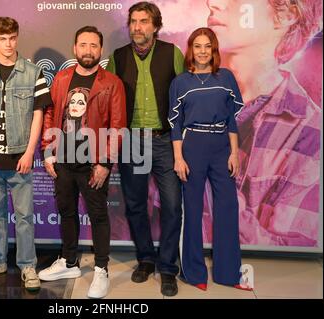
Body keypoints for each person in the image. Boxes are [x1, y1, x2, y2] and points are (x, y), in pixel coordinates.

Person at [205, 0, 322, 246]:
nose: (212, 3)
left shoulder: (309, 131)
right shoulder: (184, 96)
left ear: (287, 14)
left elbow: (290, 252)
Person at [39, 26, 126, 299]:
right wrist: (48, 151)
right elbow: (52, 113)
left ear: (101, 50)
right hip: (64, 159)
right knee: (66, 211)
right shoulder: (62, 78)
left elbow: (117, 125)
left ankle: (101, 268)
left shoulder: (111, 82)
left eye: (93, 45)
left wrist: (105, 163)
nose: (88, 50)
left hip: (93, 162)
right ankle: (69, 262)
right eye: (83, 45)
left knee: (99, 215)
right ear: (75, 48)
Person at [106, 1, 184, 296]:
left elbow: (183, 96)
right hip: (132, 141)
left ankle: (167, 268)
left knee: (172, 206)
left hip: (165, 140)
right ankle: (145, 259)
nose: (137, 27)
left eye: (143, 21)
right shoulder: (118, 57)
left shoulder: (172, 53)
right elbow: (111, 100)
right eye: (133, 21)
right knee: (136, 205)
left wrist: (181, 140)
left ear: (155, 26)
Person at [0, 17, 52, 291]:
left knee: (25, 215)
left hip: (20, 159)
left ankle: (28, 265)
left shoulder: (32, 72)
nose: (8, 44)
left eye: (12, 38)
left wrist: (30, 152)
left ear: (17, 38)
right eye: (3, 38)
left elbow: (38, 114)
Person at [169, 27, 252, 291]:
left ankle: (229, 273)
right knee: (192, 209)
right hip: (192, 145)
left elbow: (232, 120)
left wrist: (234, 153)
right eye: (197, 46)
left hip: (221, 147)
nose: (202, 51)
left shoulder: (225, 77)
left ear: (213, 50)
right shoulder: (180, 82)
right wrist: (178, 158)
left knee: (227, 208)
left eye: (207, 46)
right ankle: (194, 273)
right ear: (190, 50)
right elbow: (175, 125)